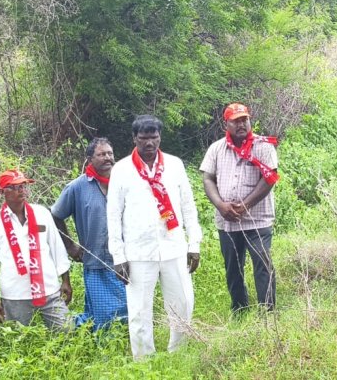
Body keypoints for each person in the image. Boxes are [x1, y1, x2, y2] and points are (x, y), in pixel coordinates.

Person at [107, 115, 202, 359]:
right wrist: (118, 255)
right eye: (144, 138)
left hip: (174, 247)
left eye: (154, 137)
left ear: (160, 137)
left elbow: (188, 206)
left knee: (183, 303)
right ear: (134, 139)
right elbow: (113, 215)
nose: (149, 143)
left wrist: (194, 244)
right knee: (139, 311)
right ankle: (144, 362)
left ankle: (178, 353)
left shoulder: (174, 165)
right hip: (138, 253)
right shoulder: (121, 170)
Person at [201, 103, 280, 310]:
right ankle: (239, 308)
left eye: (244, 119)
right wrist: (220, 205)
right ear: (225, 124)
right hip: (226, 221)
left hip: (258, 219)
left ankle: (268, 310)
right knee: (233, 268)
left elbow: (269, 178)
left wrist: (245, 206)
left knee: (262, 264)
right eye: (236, 121)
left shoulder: (263, 146)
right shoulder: (216, 149)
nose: (241, 124)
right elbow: (207, 177)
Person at [0, 169, 72, 331]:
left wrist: (65, 280)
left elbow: (57, 247)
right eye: (14, 187)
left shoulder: (42, 214)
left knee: (66, 332)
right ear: (2, 192)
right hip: (15, 295)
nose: (21, 190)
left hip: (49, 289)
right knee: (18, 340)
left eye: (23, 185)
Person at [52, 137, 128, 331]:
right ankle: (102, 348)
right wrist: (70, 245)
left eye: (110, 153)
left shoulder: (124, 182)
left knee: (129, 311)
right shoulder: (77, 187)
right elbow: (56, 215)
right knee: (104, 316)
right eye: (101, 154)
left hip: (125, 260)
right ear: (89, 159)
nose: (107, 158)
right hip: (96, 263)